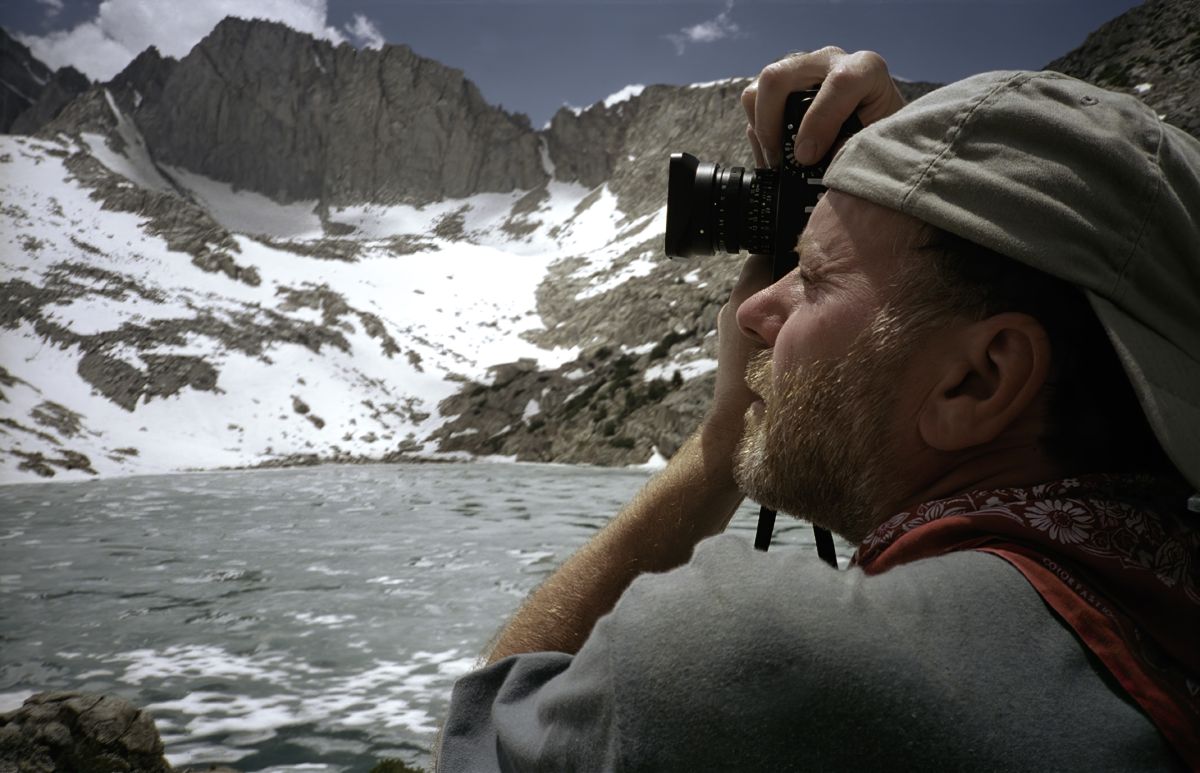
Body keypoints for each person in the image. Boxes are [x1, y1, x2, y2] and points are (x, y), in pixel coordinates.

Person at [436, 48, 1200, 771]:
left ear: (979, 379)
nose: (754, 310)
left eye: (814, 276)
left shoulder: (746, 657)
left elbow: (485, 737)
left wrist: (720, 444)